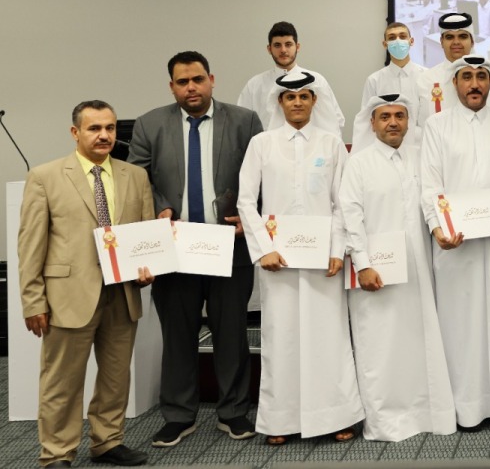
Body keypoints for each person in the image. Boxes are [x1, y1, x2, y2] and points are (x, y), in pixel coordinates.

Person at [127, 51, 263, 447]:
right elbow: (137, 179)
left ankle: (234, 412)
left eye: (198, 79)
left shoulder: (244, 121)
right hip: (175, 248)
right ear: (172, 86)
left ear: (212, 79)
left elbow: (261, 175)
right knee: (178, 332)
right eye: (183, 82)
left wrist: (249, 216)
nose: (191, 87)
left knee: (232, 331)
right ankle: (178, 415)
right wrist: (157, 211)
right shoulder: (151, 124)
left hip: (229, 243)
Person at [18, 100, 156, 467]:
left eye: (110, 128)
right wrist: (33, 301)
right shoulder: (45, 176)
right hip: (67, 296)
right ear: (75, 132)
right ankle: (57, 453)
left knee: (115, 376)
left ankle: (107, 442)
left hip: (122, 293)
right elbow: (31, 245)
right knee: (61, 382)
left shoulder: (135, 176)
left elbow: (144, 236)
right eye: (94, 128)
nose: (104, 135)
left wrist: (148, 266)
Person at [236, 71, 362, 445]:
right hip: (278, 260)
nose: (297, 103)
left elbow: (343, 202)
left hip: (323, 260)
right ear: (280, 103)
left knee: (329, 337)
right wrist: (263, 250)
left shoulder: (332, 144)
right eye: (290, 98)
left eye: (304, 97)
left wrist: (337, 249)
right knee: (282, 338)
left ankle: (337, 416)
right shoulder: (261, 143)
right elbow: (246, 201)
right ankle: (280, 421)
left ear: (314, 102)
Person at [420, 55, 490, 431]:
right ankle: (465, 407)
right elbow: (429, 183)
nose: (474, 84)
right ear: (455, 84)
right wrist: (438, 228)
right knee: (461, 324)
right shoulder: (436, 126)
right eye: (466, 76)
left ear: (489, 83)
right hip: (456, 244)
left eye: (481, 77)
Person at [340, 95, 456, 441]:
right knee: (380, 346)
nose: (393, 122)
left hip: (419, 269)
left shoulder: (420, 160)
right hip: (376, 274)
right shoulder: (358, 164)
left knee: (418, 341)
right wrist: (363, 264)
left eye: (400, 116)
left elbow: (434, 204)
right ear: (372, 124)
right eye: (385, 117)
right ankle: (385, 421)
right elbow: (350, 216)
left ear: (409, 121)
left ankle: (423, 415)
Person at [237, 21, 345, 137]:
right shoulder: (255, 85)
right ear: (269, 49)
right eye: (277, 45)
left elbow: (336, 121)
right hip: (268, 152)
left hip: (311, 151)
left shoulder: (316, 81)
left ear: (297, 47)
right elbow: (241, 124)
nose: (283, 50)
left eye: (288, 44)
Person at [415, 12, 476, 124]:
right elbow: (420, 125)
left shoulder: (487, 77)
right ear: (442, 42)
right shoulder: (426, 80)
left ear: (472, 41)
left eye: (462, 36)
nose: (456, 42)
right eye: (449, 37)